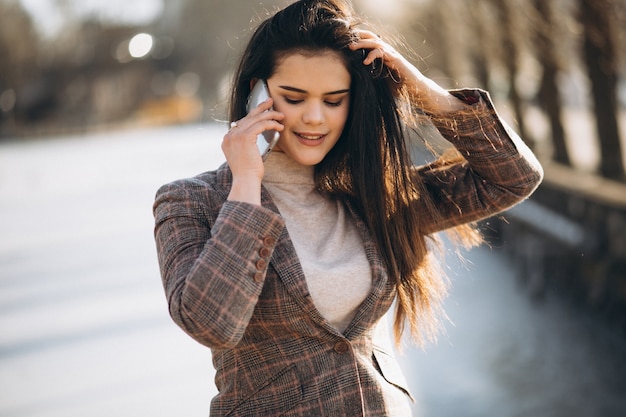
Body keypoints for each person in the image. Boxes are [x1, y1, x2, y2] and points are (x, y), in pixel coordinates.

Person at [153, 0, 543, 415]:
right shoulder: (192, 201)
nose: (315, 118)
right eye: (294, 97)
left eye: (334, 99)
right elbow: (212, 323)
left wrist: (425, 94)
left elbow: (512, 177)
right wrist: (247, 182)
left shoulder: (375, 193)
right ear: (257, 93)